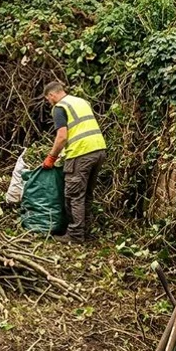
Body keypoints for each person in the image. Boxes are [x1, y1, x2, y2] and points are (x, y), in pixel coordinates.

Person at [42, 81, 107, 243]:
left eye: (48, 99)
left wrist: (52, 157)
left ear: (51, 95)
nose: (49, 102)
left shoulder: (59, 108)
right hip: (99, 150)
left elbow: (62, 136)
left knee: (74, 196)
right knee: (87, 195)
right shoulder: (81, 101)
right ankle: (86, 232)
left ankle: (76, 236)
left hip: (81, 153)